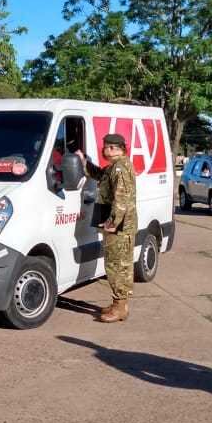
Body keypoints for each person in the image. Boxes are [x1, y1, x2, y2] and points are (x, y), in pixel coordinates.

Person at [85, 134, 138, 323]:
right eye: (106, 147)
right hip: (118, 225)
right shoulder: (114, 167)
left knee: (118, 266)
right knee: (115, 263)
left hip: (120, 227)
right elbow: (101, 175)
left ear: (122, 149)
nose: (108, 150)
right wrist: (85, 163)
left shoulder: (121, 168)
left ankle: (120, 307)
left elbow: (121, 198)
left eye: (113, 148)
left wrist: (112, 223)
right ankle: (118, 302)